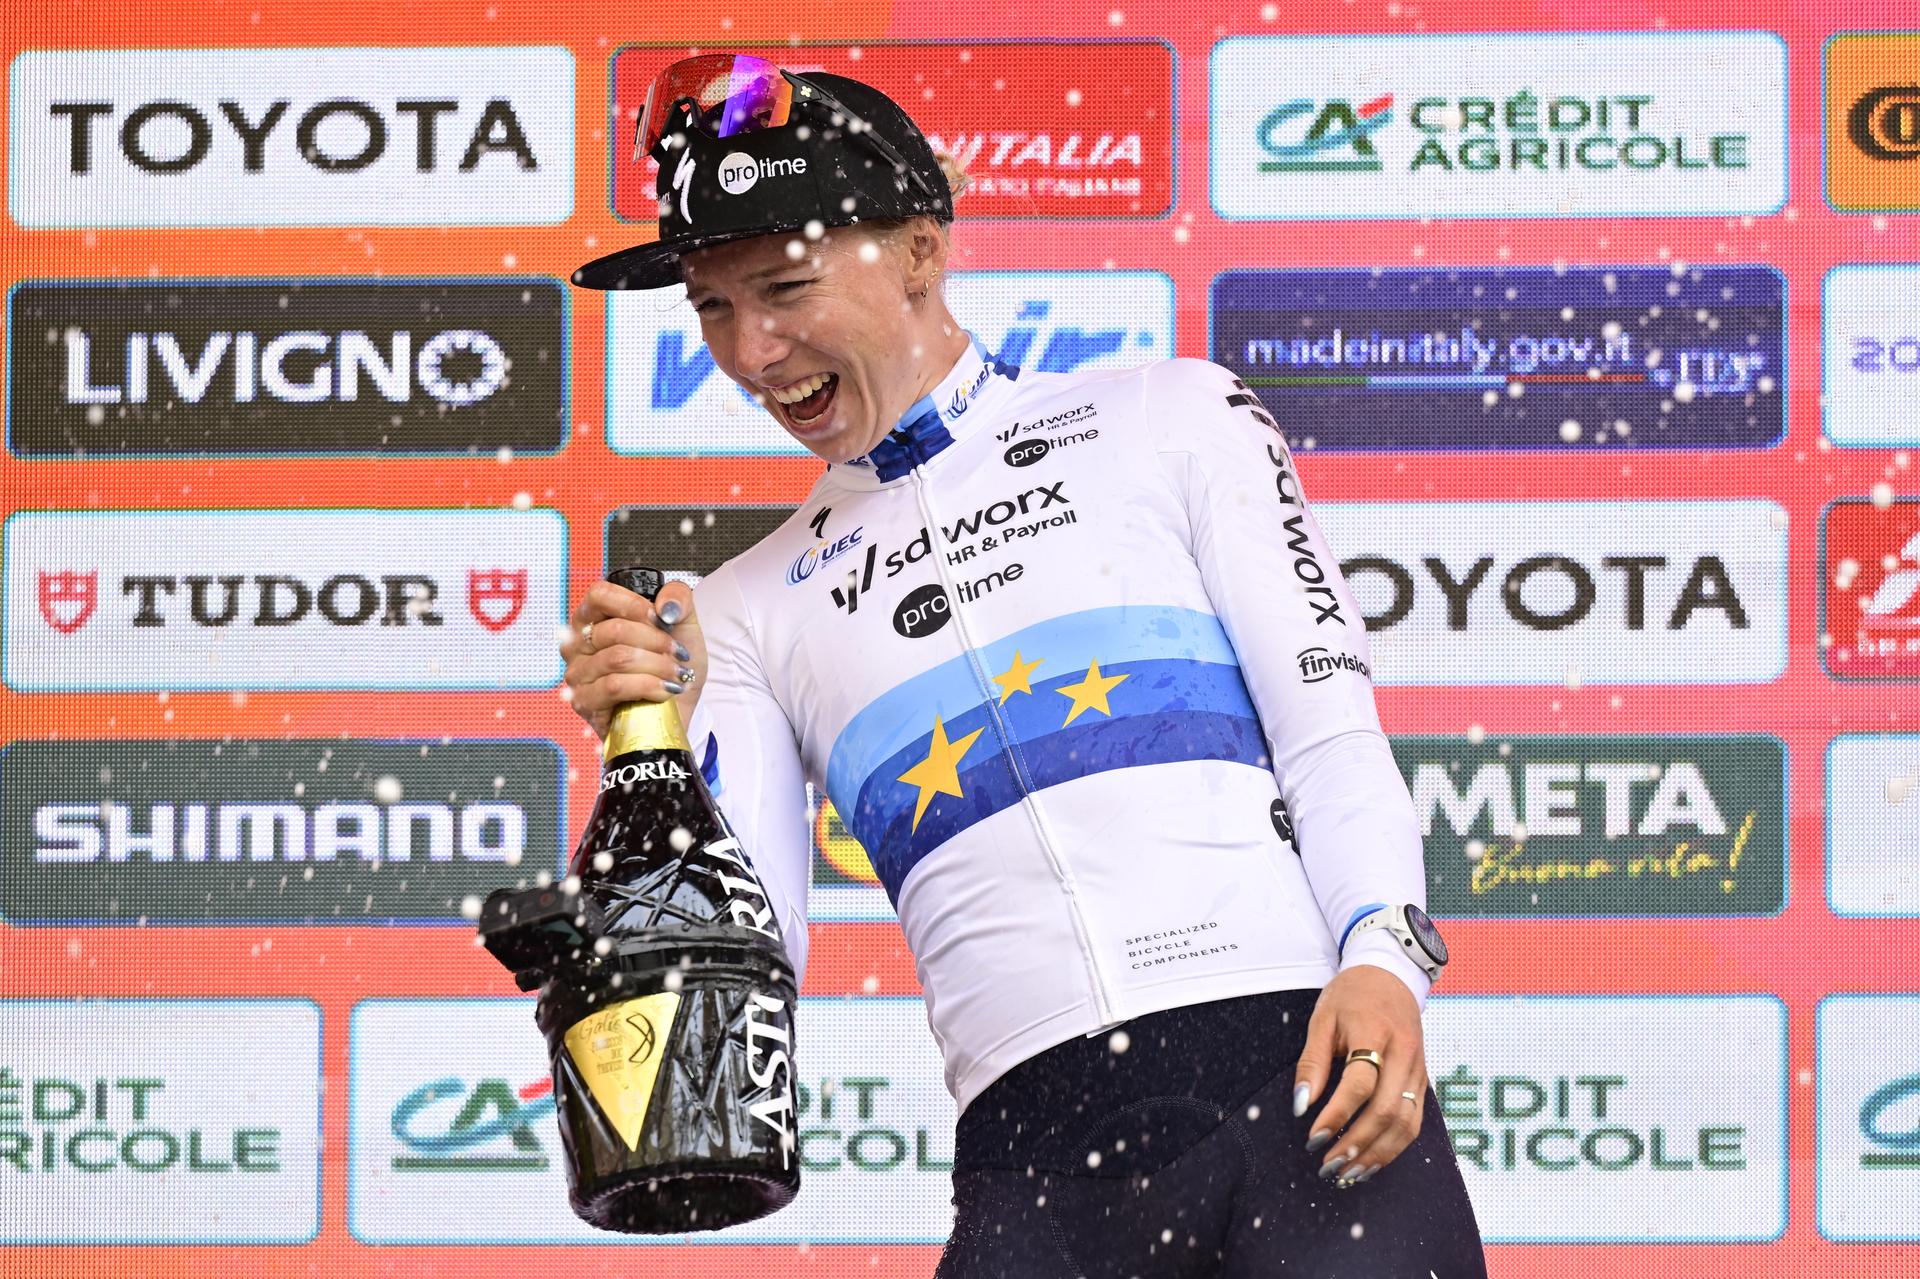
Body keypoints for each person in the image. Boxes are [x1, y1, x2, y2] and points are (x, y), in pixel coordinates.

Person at [562, 55, 1489, 1277]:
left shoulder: (1172, 414)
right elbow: (742, 974)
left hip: (1301, 1088)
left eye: (784, 286)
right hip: (1031, 1164)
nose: (752, 348)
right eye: (711, 307)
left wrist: (1382, 959)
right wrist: (653, 752)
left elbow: (1329, 728)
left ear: (919, 250)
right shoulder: (737, 608)